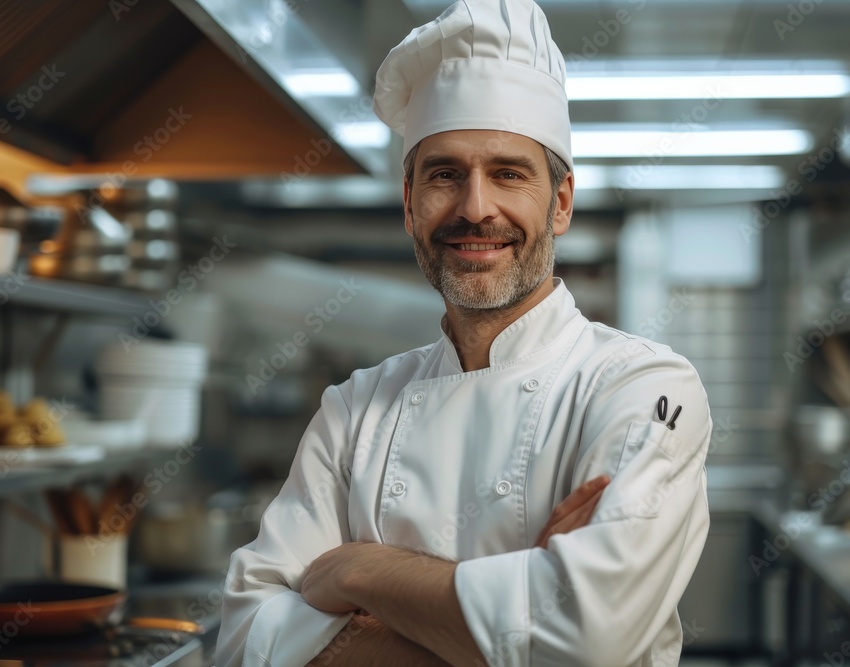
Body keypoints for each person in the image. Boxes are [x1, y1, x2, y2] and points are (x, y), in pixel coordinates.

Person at [215, 0, 712, 665]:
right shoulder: (356, 408)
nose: (476, 208)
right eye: (445, 174)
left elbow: (589, 634)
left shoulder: (642, 388)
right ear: (409, 204)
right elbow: (245, 639)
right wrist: (508, 620)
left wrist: (359, 572)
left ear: (559, 203)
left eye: (509, 172)